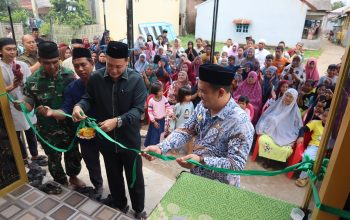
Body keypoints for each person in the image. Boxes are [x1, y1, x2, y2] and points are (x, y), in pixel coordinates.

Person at [142, 64, 254, 187]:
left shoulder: (240, 123)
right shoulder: (203, 106)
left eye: (203, 91)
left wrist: (201, 161)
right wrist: (161, 147)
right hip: (196, 178)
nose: (199, 94)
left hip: (221, 188)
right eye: (199, 89)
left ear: (221, 92)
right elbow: (187, 130)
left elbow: (236, 165)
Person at [72, 41, 147, 219]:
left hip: (129, 141)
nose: (113, 70)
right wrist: (79, 106)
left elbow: (138, 111)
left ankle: (138, 209)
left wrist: (118, 121)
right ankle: (120, 204)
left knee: (134, 177)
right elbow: (88, 98)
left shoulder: (136, 80)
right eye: (109, 65)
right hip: (105, 140)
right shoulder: (96, 78)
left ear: (127, 62)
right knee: (113, 175)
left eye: (118, 66)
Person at [38, 48, 103, 198]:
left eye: (83, 64)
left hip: (107, 130)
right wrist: (52, 112)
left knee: (113, 163)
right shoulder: (72, 88)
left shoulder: (105, 81)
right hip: (86, 134)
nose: (80, 69)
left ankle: (117, 189)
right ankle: (98, 185)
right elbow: (65, 111)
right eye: (76, 66)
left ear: (92, 63)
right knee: (91, 161)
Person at [21, 41, 84, 186]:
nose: (52, 66)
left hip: (69, 125)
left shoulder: (69, 75)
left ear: (59, 59)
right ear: (40, 61)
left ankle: (73, 177)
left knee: (73, 153)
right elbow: (28, 106)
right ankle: (60, 181)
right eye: (46, 63)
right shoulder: (32, 81)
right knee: (54, 157)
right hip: (47, 129)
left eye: (55, 62)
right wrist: (20, 104)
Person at [0, 37, 47, 165]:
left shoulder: (22, 65)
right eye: (8, 49)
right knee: (15, 133)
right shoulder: (0, 68)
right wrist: (12, 87)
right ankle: (22, 158)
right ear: (1, 51)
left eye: (14, 49)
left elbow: (30, 83)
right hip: (9, 105)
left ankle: (35, 155)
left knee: (30, 128)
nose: (12, 52)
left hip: (25, 101)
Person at [255, 88, 303, 163]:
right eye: (287, 95)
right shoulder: (278, 105)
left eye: (291, 97)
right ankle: (266, 159)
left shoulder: (295, 111)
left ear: (294, 100)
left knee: (285, 149)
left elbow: (298, 126)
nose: (287, 98)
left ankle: (273, 162)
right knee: (264, 140)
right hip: (270, 132)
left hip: (286, 135)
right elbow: (267, 116)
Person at [295, 109, 328, 187]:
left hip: (326, 150)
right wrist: (301, 137)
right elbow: (302, 129)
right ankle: (303, 178)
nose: (325, 118)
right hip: (314, 147)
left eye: (327, 116)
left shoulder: (334, 128)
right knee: (307, 157)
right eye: (324, 116)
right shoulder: (315, 123)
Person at [145, 81, 173, 146]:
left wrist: (171, 113)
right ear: (155, 92)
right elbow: (150, 112)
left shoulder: (164, 98)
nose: (162, 92)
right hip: (155, 121)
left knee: (160, 134)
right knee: (154, 135)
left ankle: (158, 146)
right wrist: (154, 121)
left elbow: (168, 106)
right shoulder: (151, 101)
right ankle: (153, 147)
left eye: (162, 90)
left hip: (162, 120)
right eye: (160, 91)